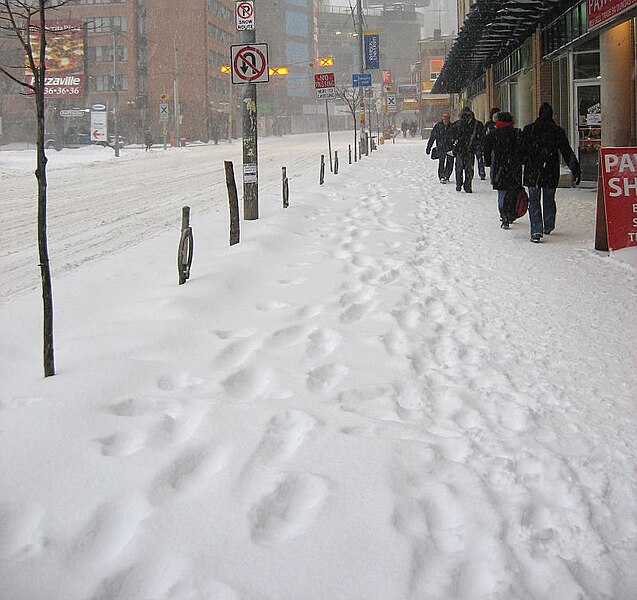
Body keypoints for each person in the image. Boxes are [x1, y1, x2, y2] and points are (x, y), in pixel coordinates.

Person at [521, 102, 581, 243]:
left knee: (534, 200)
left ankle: (536, 230)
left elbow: (521, 150)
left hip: (533, 171)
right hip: (550, 170)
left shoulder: (529, 130)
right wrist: (576, 169)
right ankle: (548, 224)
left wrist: (523, 163)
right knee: (549, 198)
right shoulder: (556, 131)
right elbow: (566, 151)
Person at [482, 111, 523, 229]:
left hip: (500, 167)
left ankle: (503, 215)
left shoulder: (494, 134)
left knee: (502, 192)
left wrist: (488, 161)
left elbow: (487, 148)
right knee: (513, 191)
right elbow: (522, 149)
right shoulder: (516, 133)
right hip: (514, 167)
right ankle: (511, 213)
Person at [449, 106, 483, 193]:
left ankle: (459, 184)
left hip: (460, 149)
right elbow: (480, 136)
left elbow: (452, 136)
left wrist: (454, 144)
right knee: (469, 169)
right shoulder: (476, 124)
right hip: (470, 149)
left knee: (459, 168)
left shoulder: (457, 124)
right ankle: (467, 186)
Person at [426, 112, 454, 183]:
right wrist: (428, 147)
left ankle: (446, 176)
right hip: (441, 148)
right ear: (442, 119)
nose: (445, 120)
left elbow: (455, 137)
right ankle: (441, 176)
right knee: (441, 162)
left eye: (447, 118)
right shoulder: (438, 126)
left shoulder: (452, 127)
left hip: (450, 148)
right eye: (444, 118)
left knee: (450, 163)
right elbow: (432, 137)